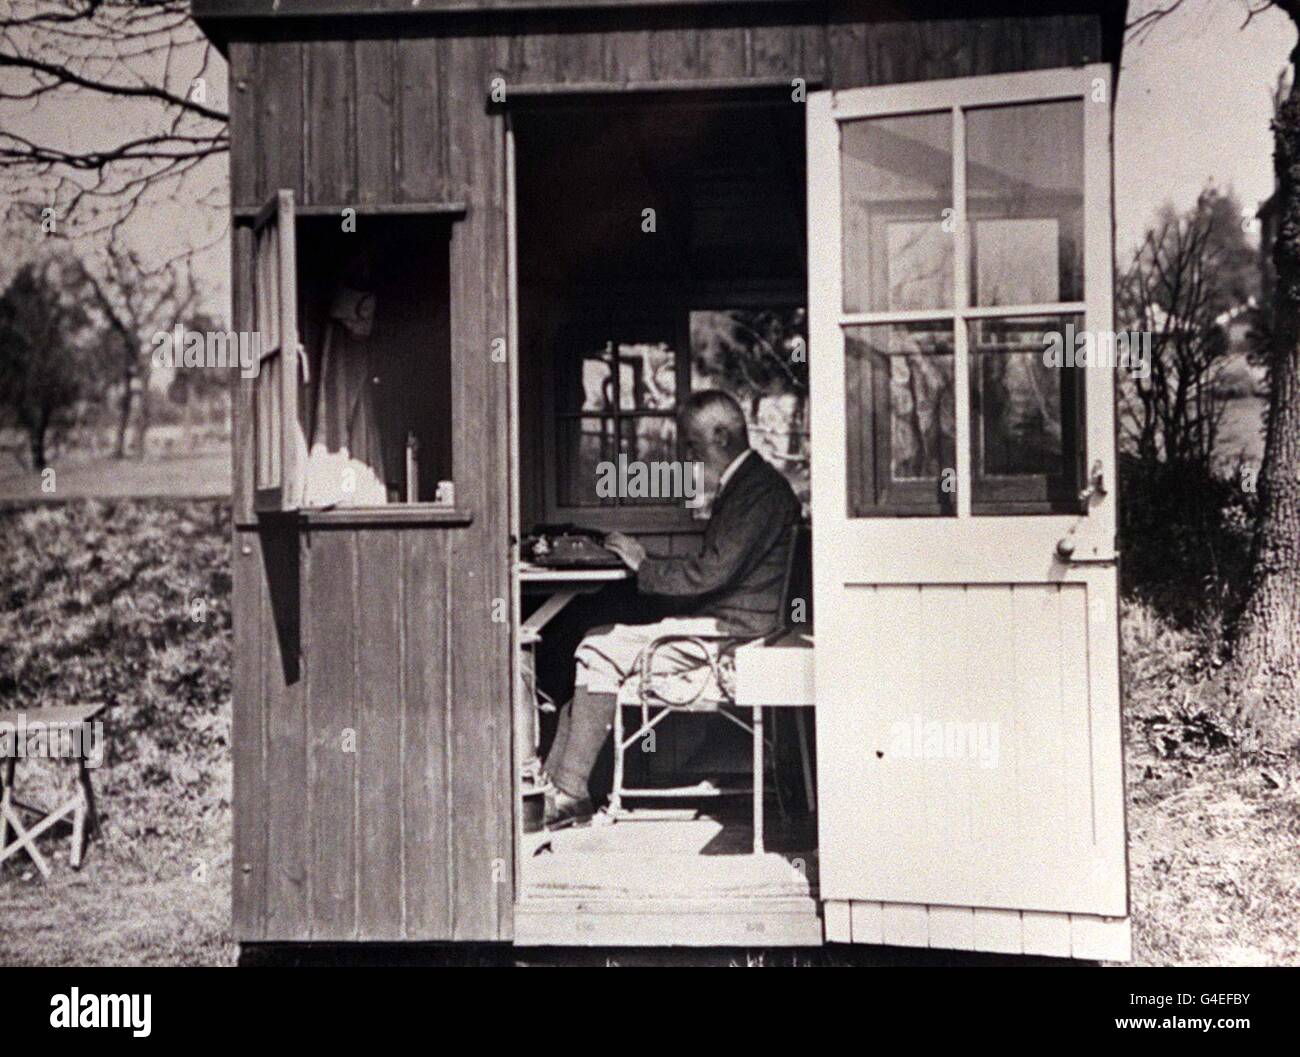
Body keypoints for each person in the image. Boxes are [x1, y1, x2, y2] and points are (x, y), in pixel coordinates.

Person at [543, 389, 801, 830]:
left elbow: (711, 573)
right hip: (736, 626)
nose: (688, 455)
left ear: (721, 436)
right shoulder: (752, 484)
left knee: (597, 647)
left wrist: (644, 564)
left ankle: (568, 793)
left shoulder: (757, 491)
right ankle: (557, 786)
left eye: (693, 446)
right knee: (596, 637)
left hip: (733, 637)